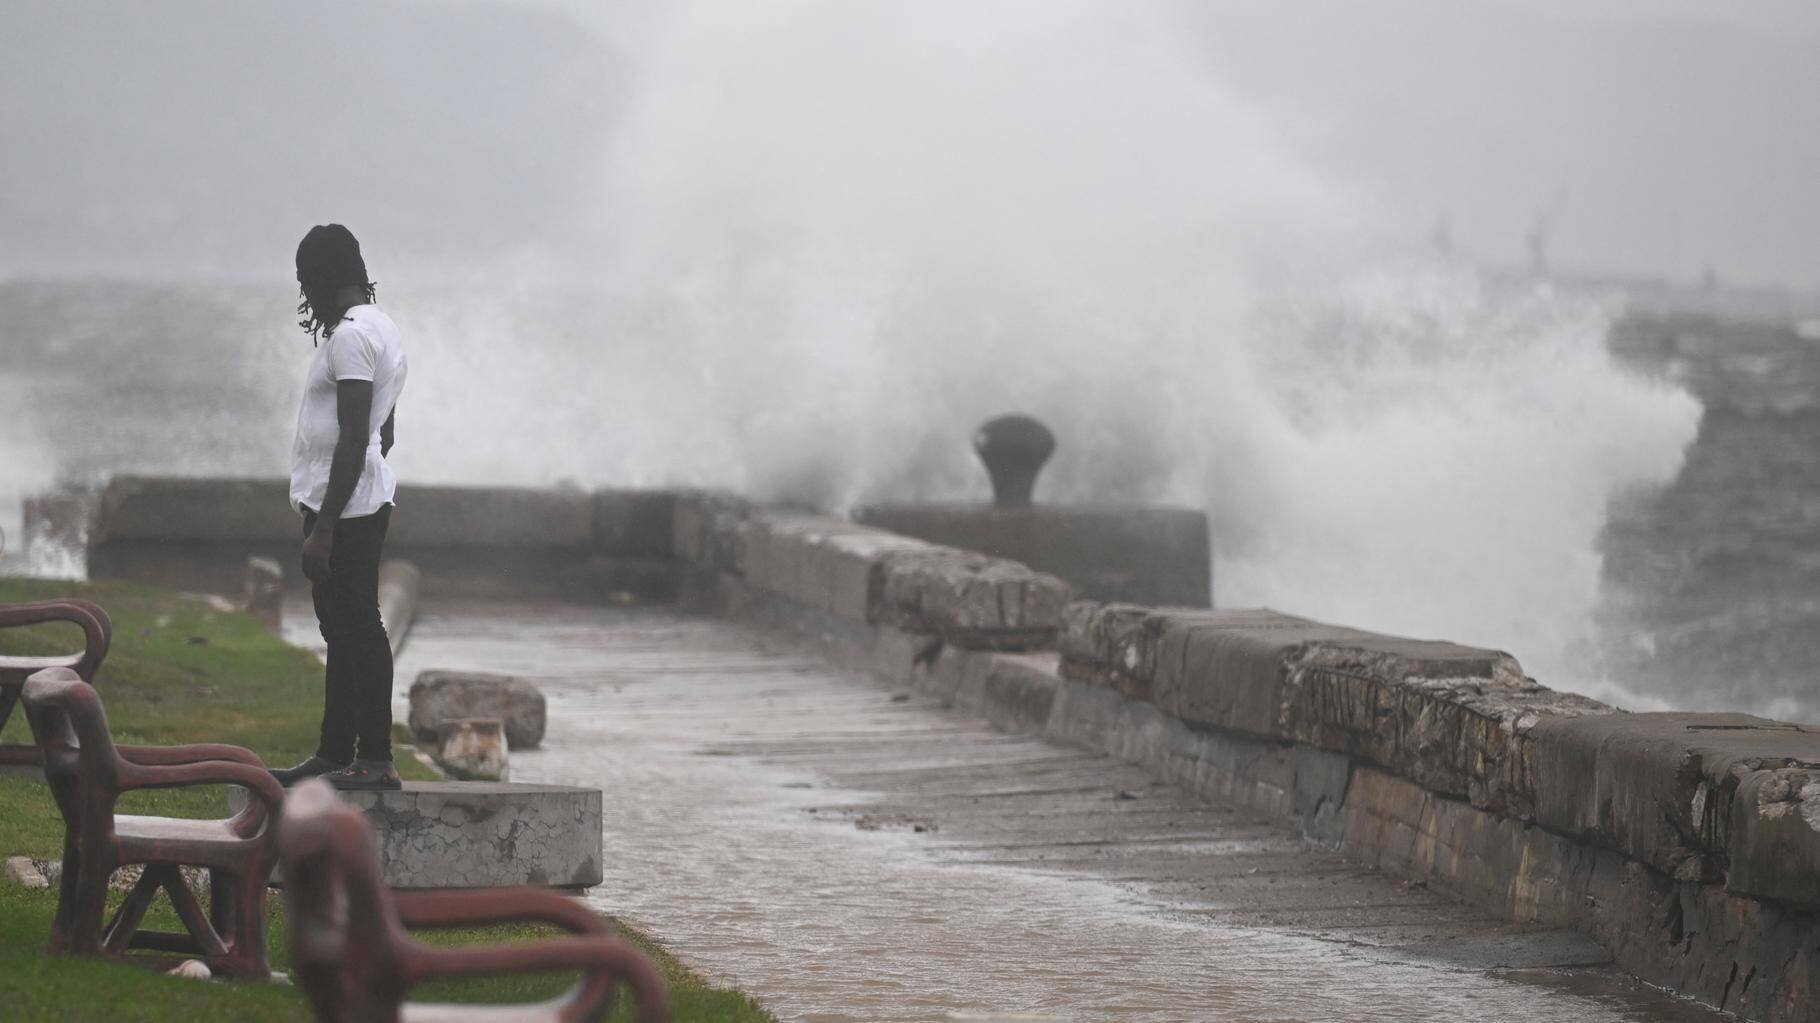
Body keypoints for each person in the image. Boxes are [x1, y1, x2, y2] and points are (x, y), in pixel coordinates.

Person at [270, 224, 409, 791]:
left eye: (307, 281)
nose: (306, 295)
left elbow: (355, 435)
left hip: (345, 508)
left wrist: (324, 526)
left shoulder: (350, 336)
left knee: (359, 627)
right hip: (358, 498)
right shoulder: (383, 327)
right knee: (342, 629)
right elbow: (385, 426)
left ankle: (374, 757)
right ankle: (334, 753)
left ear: (326, 280)